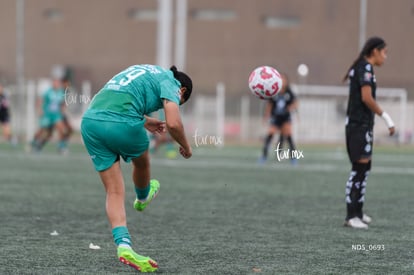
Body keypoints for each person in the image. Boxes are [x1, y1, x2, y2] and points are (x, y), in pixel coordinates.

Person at [80, 64, 193, 272]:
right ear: (182, 91)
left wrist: (144, 120)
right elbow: (174, 124)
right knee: (142, 161)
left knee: (114, 191)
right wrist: (186, 147)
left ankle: (123, 246)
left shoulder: (146, 71)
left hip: (90, 122)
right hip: (121, 124)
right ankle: (142, 197)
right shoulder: (172, 83)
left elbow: (119, 98)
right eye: (180, 101)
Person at [343, 37, 395, 229]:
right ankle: (351, 215)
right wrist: (386, 117)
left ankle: (358, 211)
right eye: (385, 52)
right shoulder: (364, 68)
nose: (385, 57)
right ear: (375, 51)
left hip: (363, 125)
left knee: (365, 169)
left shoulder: (366, 68)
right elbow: (366, 98)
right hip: (358, 125)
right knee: (358, 169)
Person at [259, 73, 298, 164]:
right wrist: (266, 116)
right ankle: (264, 156)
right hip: (276, 118)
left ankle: (293, 158)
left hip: (285, 118)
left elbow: (295, 103)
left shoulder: (289, 92)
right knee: (270, 135)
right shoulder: (274, 92)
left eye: (283, 79)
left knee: (288, 136)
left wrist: (289, 108)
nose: (282, 81)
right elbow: (269, 105)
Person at [31, 78, 68, 153]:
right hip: (47, 115)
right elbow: (41, 100)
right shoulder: (48, 92)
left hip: (56, 115)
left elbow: (62, 102)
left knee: (62, 129)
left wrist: (63, 109)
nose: (56, 84)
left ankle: (61, 147)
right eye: (55, 83)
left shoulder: (61, 92)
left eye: (58, 83)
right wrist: (40, 110)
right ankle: (34, 141)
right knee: (42, 131)